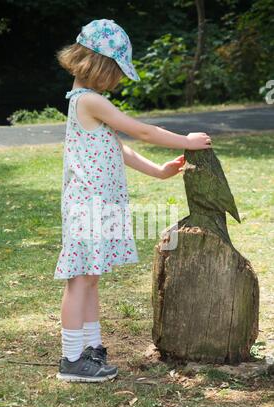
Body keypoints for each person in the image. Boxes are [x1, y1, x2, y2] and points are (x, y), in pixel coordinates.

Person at [54, 19, 212, 382]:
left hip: (100, 203)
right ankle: (71, 358)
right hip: (88, 204)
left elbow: (116, 146)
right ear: (101, 67)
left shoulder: (89, 101)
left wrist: (157, 171)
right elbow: (140, 130)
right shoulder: (89, 100)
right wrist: (186, 141)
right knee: (79, 280)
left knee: (90, 278)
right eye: (117, 72)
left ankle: (90, 349)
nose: (119, 80)